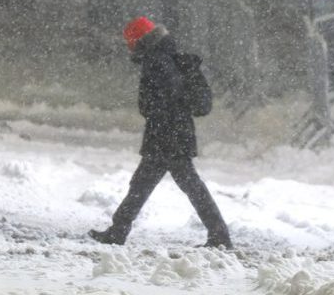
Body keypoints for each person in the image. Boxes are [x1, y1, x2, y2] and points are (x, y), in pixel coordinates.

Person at [88, 16, 232, 249]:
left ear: (138, 41)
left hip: (166, 136)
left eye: (130, 43)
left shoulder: (156, 61)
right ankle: (118, 230)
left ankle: (220, 236)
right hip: (172, 134)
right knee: (148, 185)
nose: (129, 48)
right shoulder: (165, 56)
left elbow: (160, 101)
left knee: (181, 187)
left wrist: (156, 115)